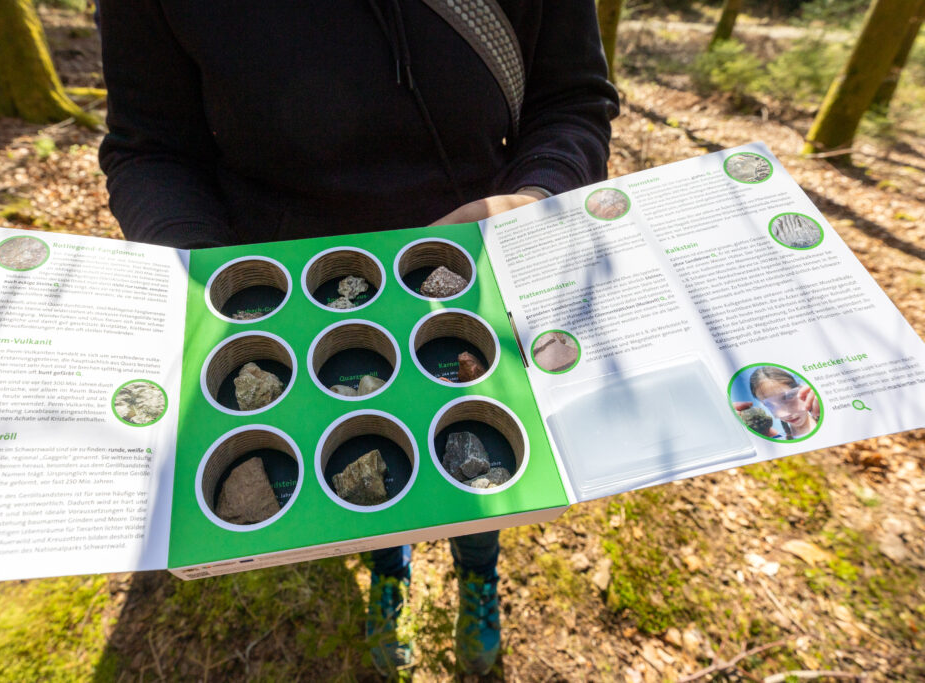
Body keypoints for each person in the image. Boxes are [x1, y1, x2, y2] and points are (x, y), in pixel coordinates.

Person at [97, 0, 618, 674]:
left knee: (481, 439)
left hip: (471, 271)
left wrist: (536, 197)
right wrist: (210, 274)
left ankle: (478, 567)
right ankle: (386, 560)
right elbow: (151, 148)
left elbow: (571, 100)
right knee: (361, 442)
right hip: (287, 306)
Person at [738, 366, 820, 440]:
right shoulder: (775, 441)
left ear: (801, 389)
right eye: (769, 405)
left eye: (788, 397)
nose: (786, 414)